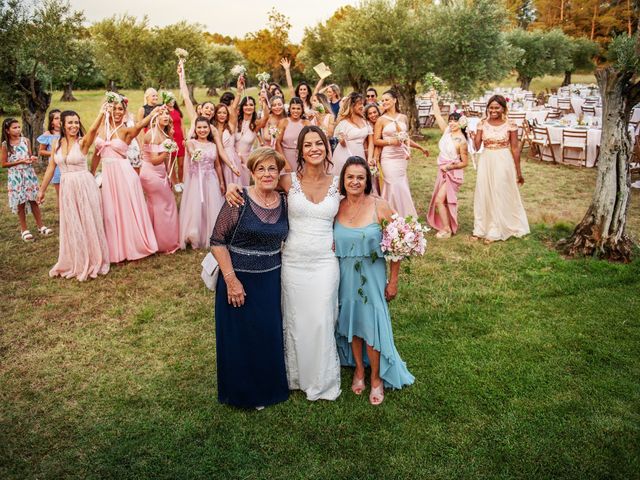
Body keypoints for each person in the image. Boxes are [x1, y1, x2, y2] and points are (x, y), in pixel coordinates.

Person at [226, 126, 342, 402]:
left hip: (325, 260)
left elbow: (365, 198)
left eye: (320, 144)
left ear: (327, 149)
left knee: (322, 319)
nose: (315, 148)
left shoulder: (338, 183)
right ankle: (295, 377)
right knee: (296, 320)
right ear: (300, 151)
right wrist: (234, 185)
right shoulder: (289, 181)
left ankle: (321, 380)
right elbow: (257, 184)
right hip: (293, 261)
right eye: (308, 144)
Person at [210, 147, 290, 409]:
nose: (267, 174)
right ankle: (242, 393)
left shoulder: (285, 201)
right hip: (238, 280)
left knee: (267, 335)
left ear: (279, 173)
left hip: (270, 279)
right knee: (240, 338)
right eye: (261, 169)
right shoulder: (238, 200)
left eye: (272, 169)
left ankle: (269, 389)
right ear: (252, 172)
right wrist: (231, 281)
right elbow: (217, 242)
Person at [334, 156, 414, 405]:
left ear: (367, 180)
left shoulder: (380, 205)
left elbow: (399, 243)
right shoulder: (336, 206)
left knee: (371, 325)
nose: (355, 181)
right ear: (343, 180)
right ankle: (359, 370)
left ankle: (377, 377)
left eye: (360, 177)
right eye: (350, 177)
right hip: (344, 276)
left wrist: (393, 280)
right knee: (353, 322)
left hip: (372, 276)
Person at [37, 109, 109, 280]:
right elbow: (51, 168)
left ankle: (92, 258)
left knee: (87, 221)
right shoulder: (56, 144)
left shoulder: (83, 142)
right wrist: (42, 190)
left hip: (84, 185)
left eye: (76, 122)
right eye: (70, 122)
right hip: (67, 187)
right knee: (72, 222)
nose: (74, 126)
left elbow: (92, 130)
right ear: (62, 124)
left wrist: (101, 112)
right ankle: (76, 258)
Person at [90, 95, 160, 263]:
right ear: (107, 109)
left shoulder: (126, 130)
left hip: (124, 174)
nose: (117, 112)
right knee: (111, 212)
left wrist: (153, 113)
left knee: (126, 210)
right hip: (108, 174)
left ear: (124, 111)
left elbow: (140, 125)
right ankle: (115, 248)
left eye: (120, 109)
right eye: (114, 108)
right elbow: (96, 154)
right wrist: (90, 174)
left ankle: (134, 245)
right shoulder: (100, 128)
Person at [471, 95, 529, 243]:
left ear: (503, 108)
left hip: (503, 160)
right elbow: (477, 147)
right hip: (486, 159)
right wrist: (474, 136)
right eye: (491, 107)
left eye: (497, 107)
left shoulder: (511, 124)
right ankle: (480, 228)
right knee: (484, 192)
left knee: (499, 191)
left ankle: (496, 230)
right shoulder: (482, 123)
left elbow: (515, 149)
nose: (493, 110)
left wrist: (518, 172)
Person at [180, 117, 238, 249]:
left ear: (209, 129)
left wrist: (222, 182)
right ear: (195, 129)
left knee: (211, 206)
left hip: (211, 178)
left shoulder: (213, 145)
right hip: (196, 180)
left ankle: (211, 234)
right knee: (196, 207)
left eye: (205, 127)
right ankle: (194, 234)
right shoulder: (191, 142)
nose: (202, 130)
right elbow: (191, 152)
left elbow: (217, 165)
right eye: (199, 127)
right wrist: (194, 152)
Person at [373, 90, 428, 217]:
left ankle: (405, 216)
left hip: (401, 158)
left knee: (402, 185)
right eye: (383, 100)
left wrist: (420, 148)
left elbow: (406, 138)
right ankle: (390, 217)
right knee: (392, 186)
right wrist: (391, 141)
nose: (384, 102)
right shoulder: (381, 120)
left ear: (394, 100)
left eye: (387, 99)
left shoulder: (403, 117)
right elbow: (376, 140)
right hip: (388, 158)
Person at [1, 118, 52, 242]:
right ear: (7, 130)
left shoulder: (26, 141)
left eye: (19, 127)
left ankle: (41, 226)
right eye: (14, 127)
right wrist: (21, 161)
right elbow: (3, 164)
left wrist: (31, 158)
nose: (18, 129)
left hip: (29, 174)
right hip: (16, 177)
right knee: (21, 203)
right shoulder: (5, 145)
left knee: (34, 200)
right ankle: (24, 229)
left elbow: (28, 155)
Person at [426, 94, 470, 239]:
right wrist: (434, 100)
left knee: (440, 199)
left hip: (453, 173)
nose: (451, 123)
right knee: (441, 200)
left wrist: (450, 167)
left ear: (461, 123)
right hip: (443, 170)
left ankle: (447, 229)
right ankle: (447, 225)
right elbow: (438, 115)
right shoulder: (447, 132)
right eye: (450, 120)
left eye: (455, 121)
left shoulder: (462, 141)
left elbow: (465, 163)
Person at [141, 111, 180, 254]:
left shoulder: (165, 134)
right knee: (165, 205)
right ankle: (165, 244)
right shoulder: (151, 134)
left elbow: (166, 161)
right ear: (155, 117)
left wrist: (169, 176)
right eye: (161, 114)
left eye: (166, 114)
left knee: (158, 206)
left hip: (161, 173)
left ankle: (156, 240)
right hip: (151, 174)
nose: (165, 116)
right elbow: (154, 160)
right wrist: (168, 149)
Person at [331, 92, 374, 175]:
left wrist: (369, 158)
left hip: (360, 154)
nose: (362, 106)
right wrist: (342, 140)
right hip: (344, 155)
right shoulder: (343, 123)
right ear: (352, 106)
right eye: (359, 104)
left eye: (363, 104)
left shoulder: (366, 122)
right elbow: (340, 141)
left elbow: (371, 143)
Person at [236, 94, 270, 184]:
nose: (248, 107)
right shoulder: (236, 121)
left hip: (245, 161)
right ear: (242, 107)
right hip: (232, 159)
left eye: (251, 105)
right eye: (246, 105)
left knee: (244, 186)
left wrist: (264, 101)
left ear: (254, 107)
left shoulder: (256, 124)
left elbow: (266, 117)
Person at [213, 103, 244, 187]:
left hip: (231, 158)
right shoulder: (212, 128)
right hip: (218, 160)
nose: (222, 115)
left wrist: (238, 93)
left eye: (224, 113)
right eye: (219, 113)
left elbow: (233, 108)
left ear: (227, 115)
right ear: (215, 114)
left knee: (234, 183)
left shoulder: (231, 125)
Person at [275, 97, 309, 172]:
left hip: (303, 158)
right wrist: (285, 163)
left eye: (298, 108)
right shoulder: (283, 122)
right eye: (293, 108)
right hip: (286, 156)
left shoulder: (306, 123)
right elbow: (277, 143)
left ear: (302, 110)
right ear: (289, 109)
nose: (295, 111)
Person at [37, 109, 61, 203]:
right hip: (56, 167)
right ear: (52, 123)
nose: (59, 120)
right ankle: (62, 216)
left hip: (68, 166)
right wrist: (54, 153)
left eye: (61, 117)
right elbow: (41, 151)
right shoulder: (48, 135)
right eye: (56, 118)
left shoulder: (67, 133)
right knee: (61, 195)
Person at [167, 98, 185, 192]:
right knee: (172, 163)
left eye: (173, 100)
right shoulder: (165, 111)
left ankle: (182, 181)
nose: (172, 102)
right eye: (169, 100)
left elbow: (182, 125)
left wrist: (184, 138)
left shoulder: (178, 111)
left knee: (181, 164)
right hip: (171, 138)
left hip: (180, 138)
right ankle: (175, 183)